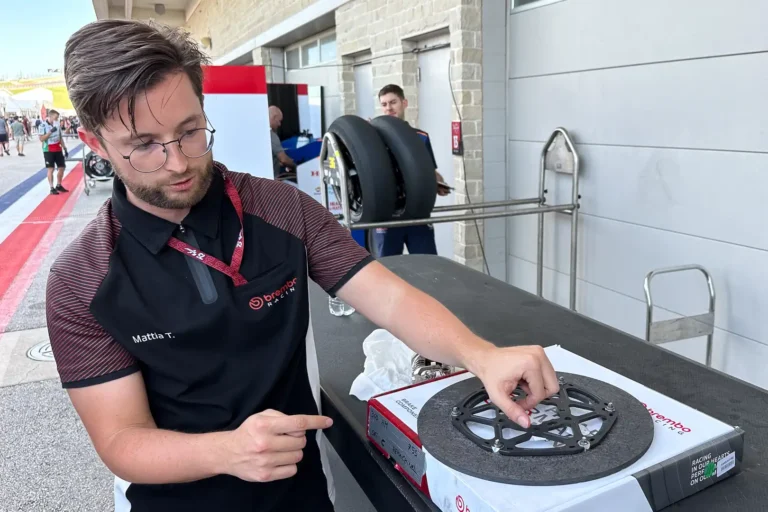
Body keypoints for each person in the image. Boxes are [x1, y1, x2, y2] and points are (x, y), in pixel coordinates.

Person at [49, 20, 558, 512]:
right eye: (143, 146)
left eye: (190, 131)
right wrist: (226, 450)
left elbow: (390, 297)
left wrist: (480, 354)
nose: (178, 162)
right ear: (95, 143)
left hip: (301, 491)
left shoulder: (282, 210)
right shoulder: (81, 280)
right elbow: (121, 438)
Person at [374, 84, 451, 257]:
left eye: (393, 102)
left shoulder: (420, 137)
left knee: (428, 266)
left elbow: (430, 170)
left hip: (418, 213)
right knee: (388, 271)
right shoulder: (372, 137)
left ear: (404, 103)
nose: (389, 108)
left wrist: (439, 182)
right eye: (384, 104)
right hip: (386, 216)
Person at [38, 109, 69, 195]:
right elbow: (41, 139)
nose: (57, 119)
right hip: (48, 149)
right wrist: (50, 132)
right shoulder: (42, 125)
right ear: (50, 116)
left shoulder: (57, 124)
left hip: (58, 148)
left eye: (57, 117)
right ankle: (51, 187)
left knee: (62, 167)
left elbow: (60, 137)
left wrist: (65, 148)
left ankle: (58, 185)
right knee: (51, 169)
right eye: (56, 117)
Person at [268, 105, 297, 180]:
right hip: (272, 180)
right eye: (279, 121)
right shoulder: (271, 135)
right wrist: (295, 166)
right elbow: (283, 159)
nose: (279, 124)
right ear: (274, 117)